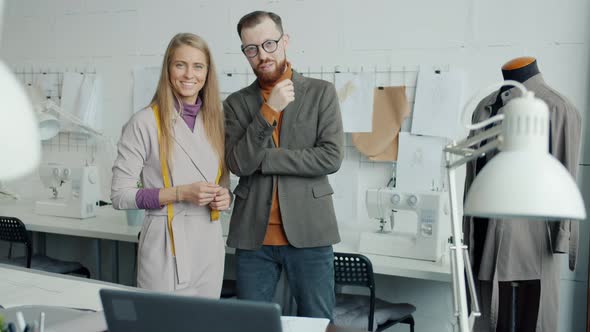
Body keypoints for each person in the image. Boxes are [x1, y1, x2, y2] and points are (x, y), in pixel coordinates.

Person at [223, 11, 344, 319]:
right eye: (252, 49)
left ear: (284, 41)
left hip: (311, 233)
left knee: (318, 323)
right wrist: (268, 110)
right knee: (252, 326)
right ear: (244, 52)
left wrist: (265, 160)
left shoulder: (321, 93)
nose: (262, 55)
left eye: (269, 44)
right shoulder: (235, 104)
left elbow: (330, 157)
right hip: (253, 237)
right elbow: (238, 163)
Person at [465, 56, 581, 332]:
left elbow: (566, 172)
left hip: (531, 244)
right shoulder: (485, 107)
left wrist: (563, 235)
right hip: (482, 236)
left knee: (530, 320)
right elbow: (473, 172)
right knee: (486, 319)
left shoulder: (557, 107)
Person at [111, 33, 231, 297]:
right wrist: (180, 193)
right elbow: (120, 196)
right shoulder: (143, 122)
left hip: (209, 243)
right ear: (168, 69)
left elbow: (222, 184)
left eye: (198, 66)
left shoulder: (215, 123)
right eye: (180, 65)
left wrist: (224, 198)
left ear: (207, 73)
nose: (189, 74)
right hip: (166, 243)